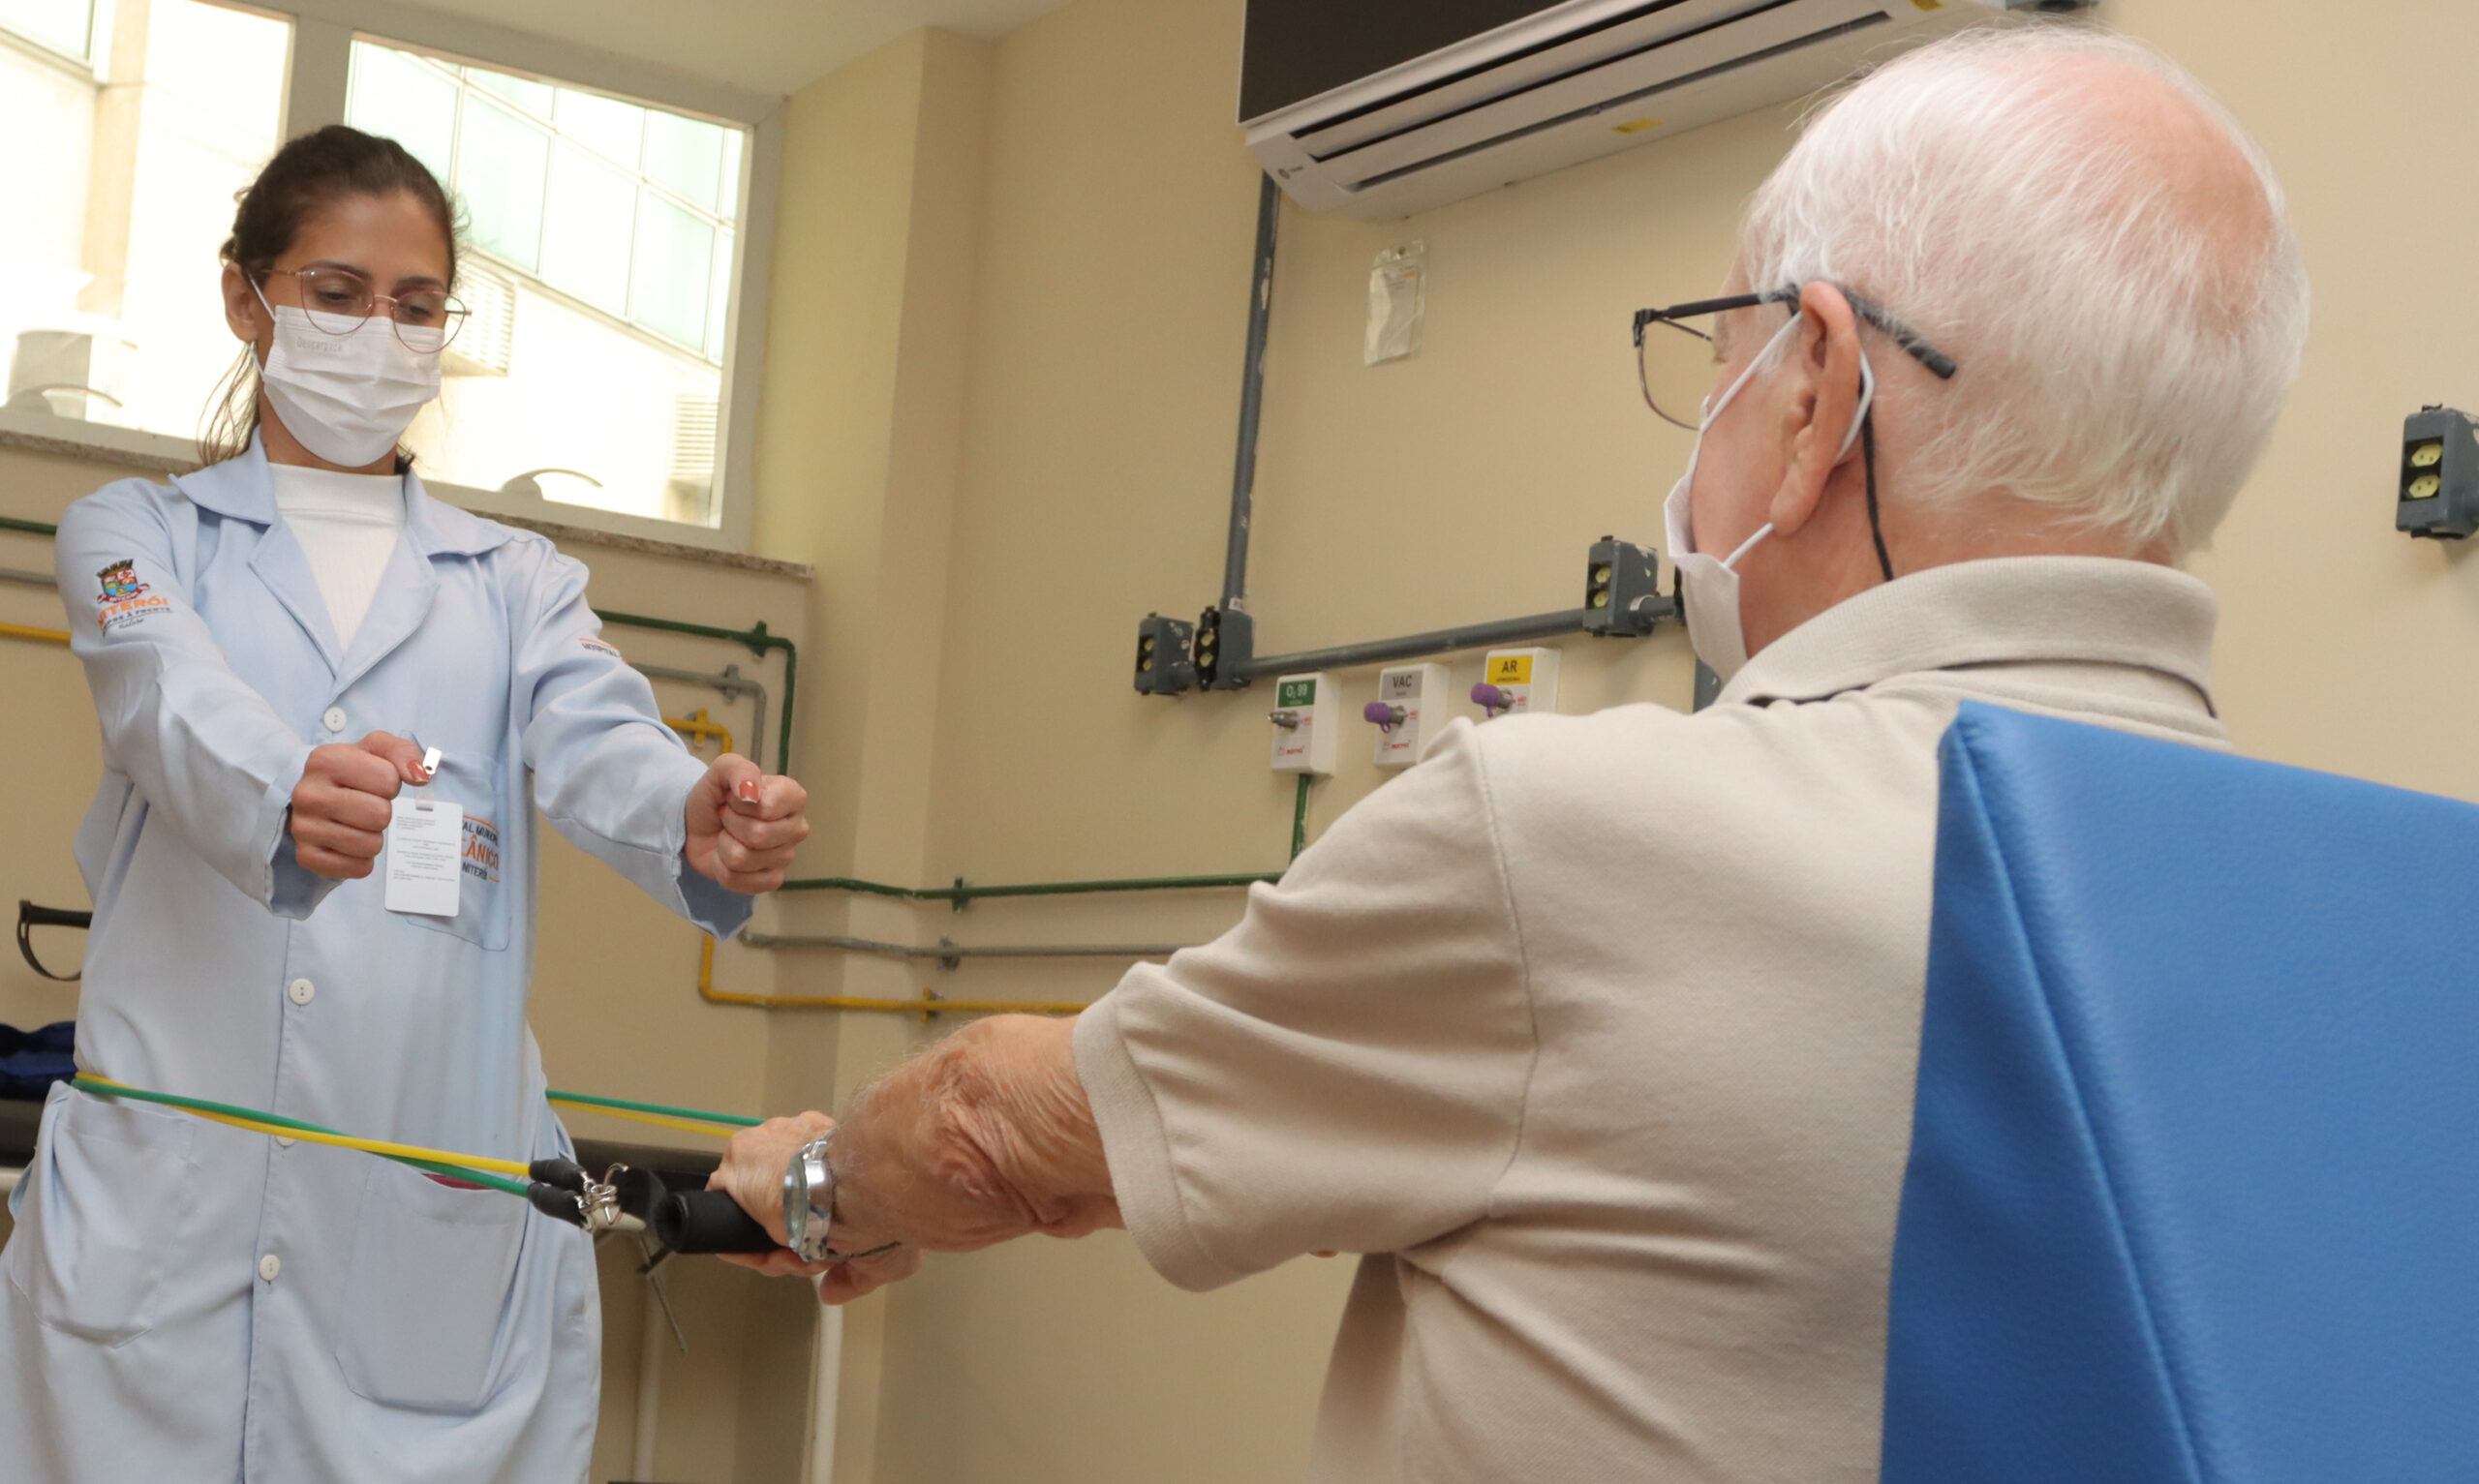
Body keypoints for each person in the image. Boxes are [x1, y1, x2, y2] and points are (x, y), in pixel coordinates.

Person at [707, 23, 2311, 1484]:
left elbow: (1008, 1126)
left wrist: (819, 1180)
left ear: (1820, 385)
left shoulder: (1578, 837)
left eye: (1731, 354)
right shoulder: (2371, 914)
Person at [0, 125, 811, 1481]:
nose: (380, 329)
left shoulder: (514, 581)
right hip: (161, 1245)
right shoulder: (136, 534)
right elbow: (165, 699)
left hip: (415, 1265)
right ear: (245, 297)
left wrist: (694, 805)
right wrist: (284, 788)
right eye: (337, 292)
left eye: (417, 303)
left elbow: (601, 733)